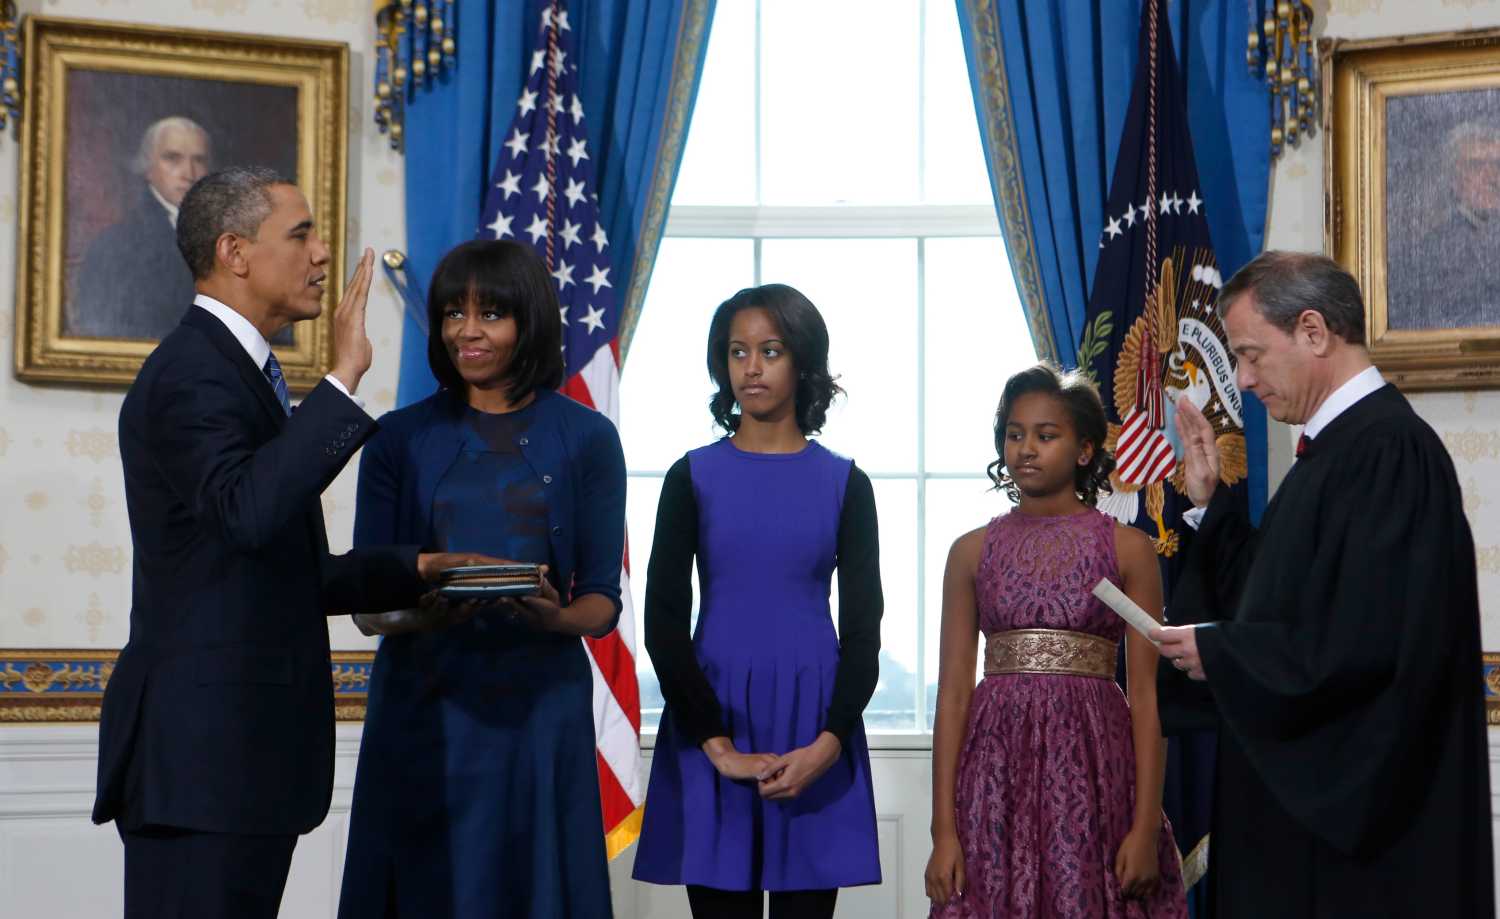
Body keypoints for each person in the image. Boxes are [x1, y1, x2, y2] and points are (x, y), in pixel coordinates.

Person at [92, 166, 496, 919]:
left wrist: (417, 567)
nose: (321, 254)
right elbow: (248, 512)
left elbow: (285, 569)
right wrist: (343, 379)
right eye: (301, 233)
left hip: (237, 766)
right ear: (235, 252)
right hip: (202, 765)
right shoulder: (192, 373)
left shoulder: (240, 374)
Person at [1155, 250, 1493, 918]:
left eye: (1252, 354)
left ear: (1314, 331)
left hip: (1361, 853)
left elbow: (1368, 642)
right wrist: (1208, 503)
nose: (1244, 380)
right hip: (1305, 836)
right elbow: (1272, 599)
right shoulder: (1337, 451)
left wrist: (1222, 652)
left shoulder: (1387, 452)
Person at [336, 239, 626, 919]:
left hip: (540, 708)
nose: (467, 329)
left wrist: (554, 616)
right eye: (452, 313)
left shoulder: (587, 436)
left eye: (490, 313)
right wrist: (425, 612)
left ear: (528, 320)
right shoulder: (397, 438)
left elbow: (601, 602)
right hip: (423, 702)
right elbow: (365, 602)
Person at [633, 284, 882, 919]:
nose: (751, 366)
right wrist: (717, 745)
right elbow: (662, 621)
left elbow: (863, 632)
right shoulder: (689, 476)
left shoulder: (846, 483)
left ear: (802, 362)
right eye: (737, 351)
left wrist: (828, 744)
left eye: (770, 351)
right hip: (711, 715)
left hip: (814, 721)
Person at [924, 363, 1188, 918]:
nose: (1026, 449)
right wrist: (942, 830)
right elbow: (951, 697)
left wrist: (1144, 828)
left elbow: (1146, 696)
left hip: (1095, 770)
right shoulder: (970, 553)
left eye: (1046, 436)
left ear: (1085, 450)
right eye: (1014, 434)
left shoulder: (1129, 550)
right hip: (994, 773)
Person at [69, 116, 212, 340]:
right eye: (172, 158)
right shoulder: (115, 244)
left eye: (199, 160)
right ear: (147, 168)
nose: (189, 173)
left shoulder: (226, 236)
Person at [1387, 120, 1500, 330]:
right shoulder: (1431, 250)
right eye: (1476, 166)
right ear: (1455, 179)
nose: (1492, 177)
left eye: (1497, 165)